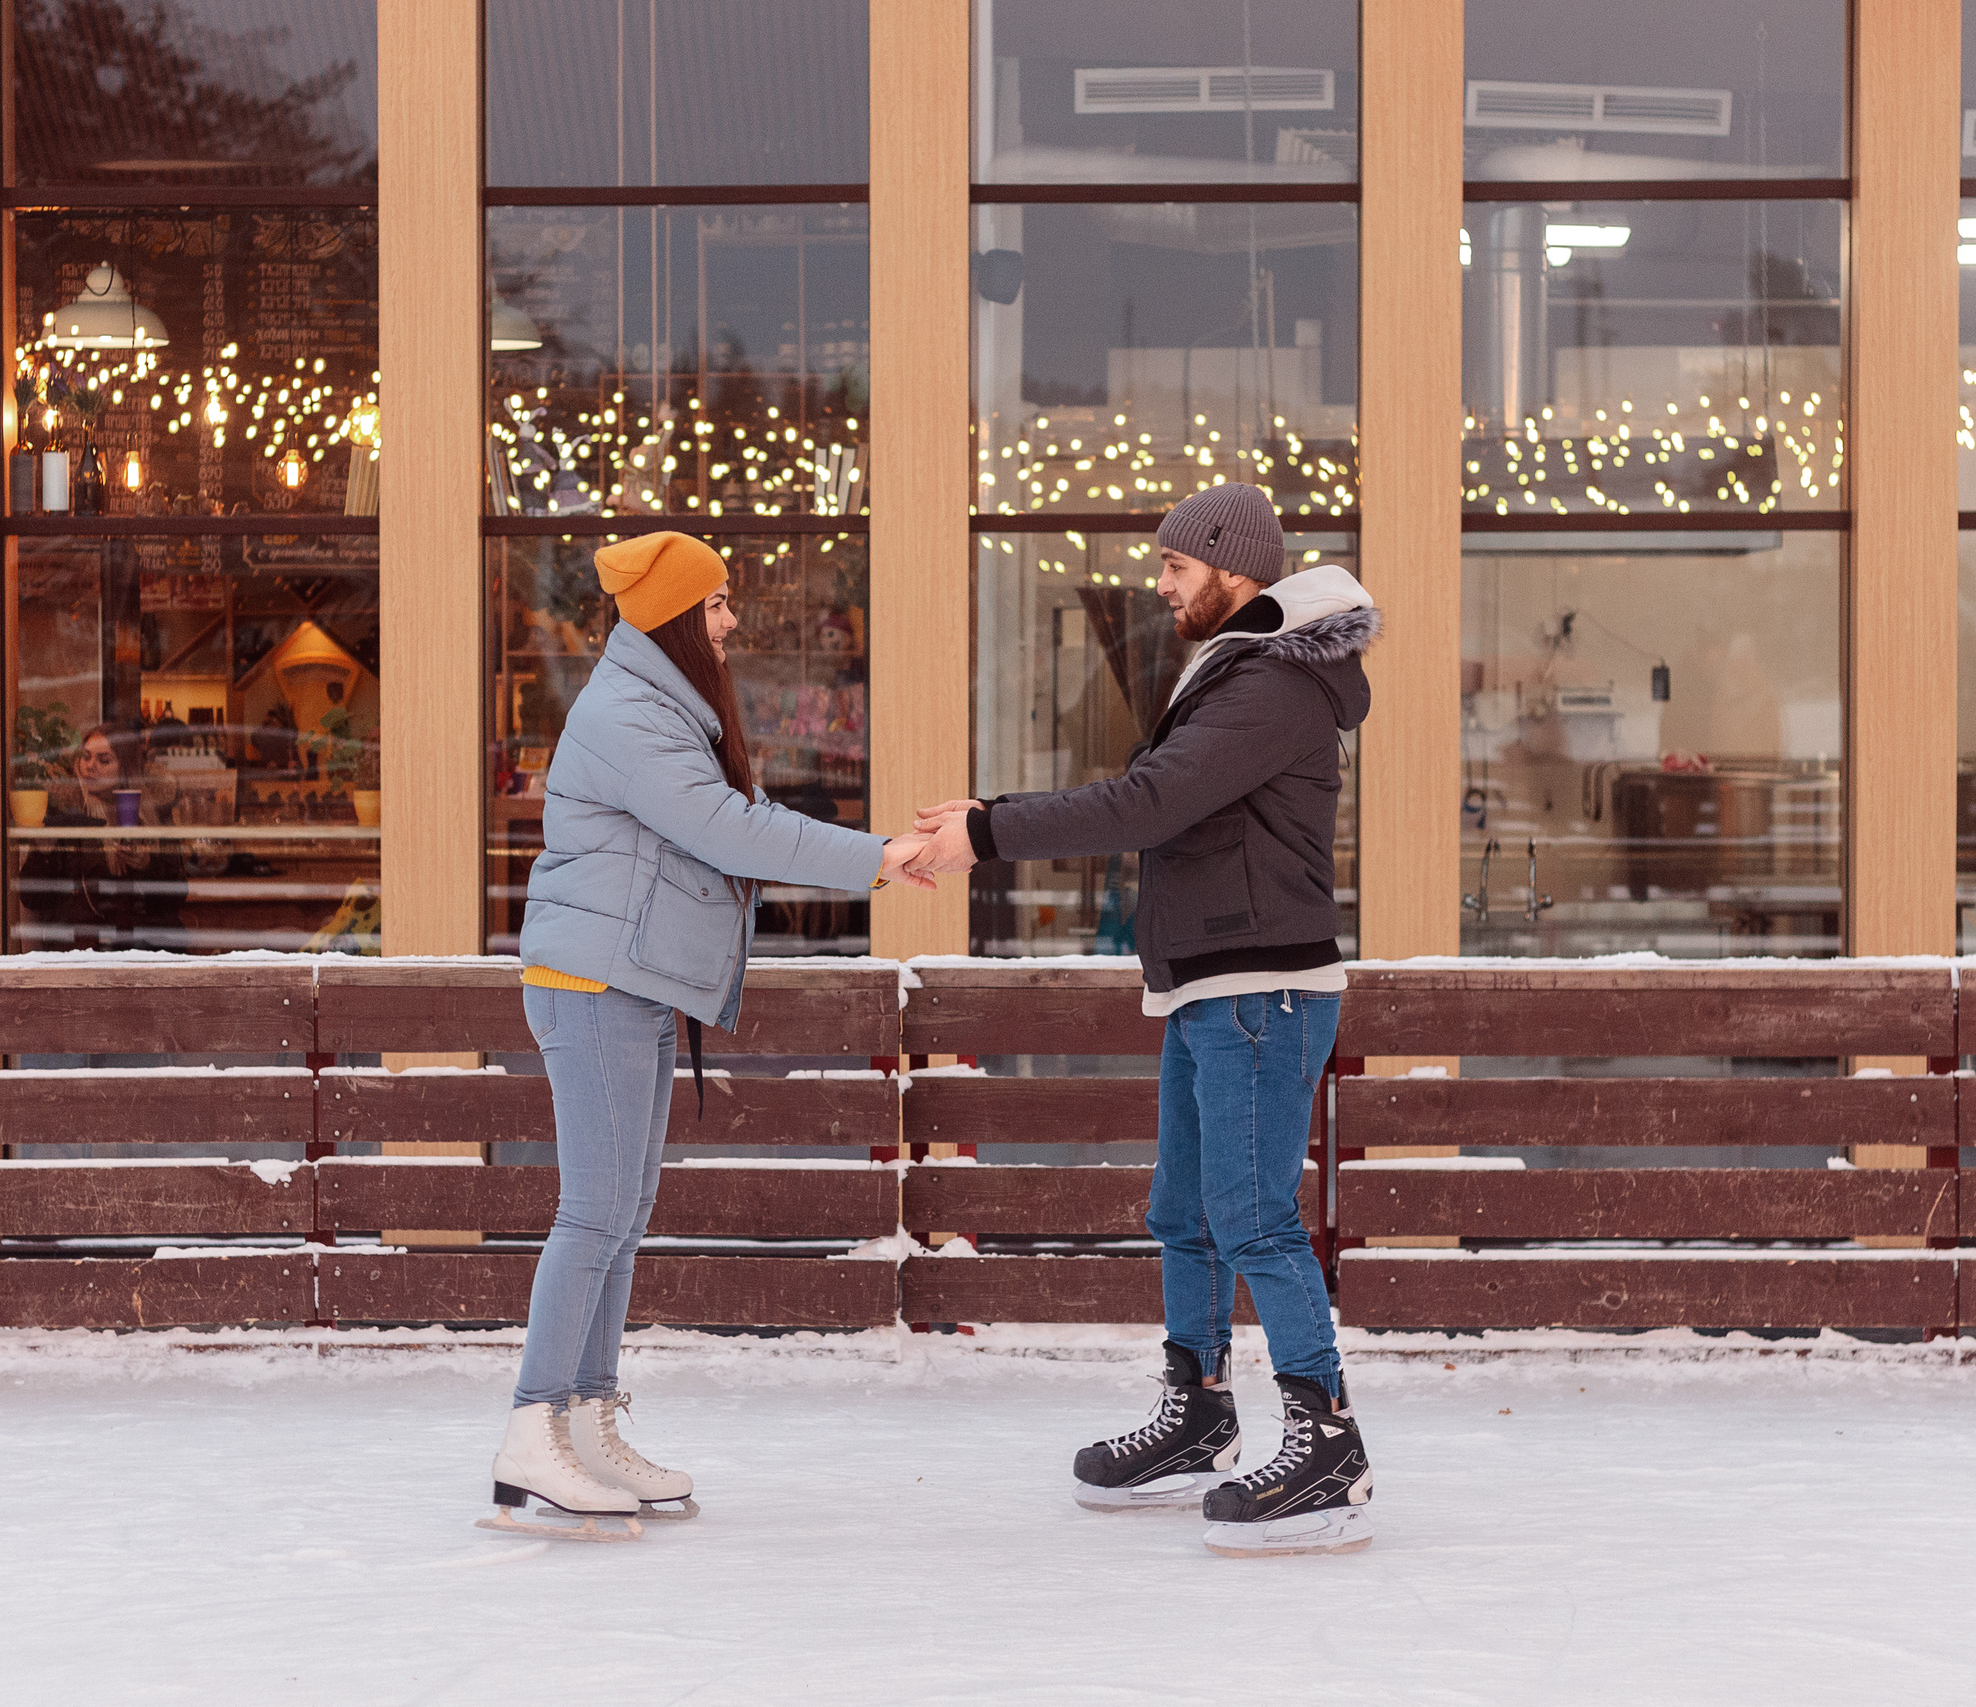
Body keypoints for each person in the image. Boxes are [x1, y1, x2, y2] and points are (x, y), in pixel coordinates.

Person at [909, 483, 1381, 1558]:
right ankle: (1201, 1411)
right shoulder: (1240, 670)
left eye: (1174, 567)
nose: (1159, 586)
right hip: (1209, 980)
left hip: (1259, 985)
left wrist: (986, 832)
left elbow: (1150, 801)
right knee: (1185, 1209)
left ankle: (1326, 1439)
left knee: (1253, 1215)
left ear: (1232, 568)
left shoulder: (1271, 684)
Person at [485, 530, 935, 1542]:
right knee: (594, 1211)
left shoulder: (664, 707)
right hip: (593, 980)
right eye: (719, 603)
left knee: (623, 1208)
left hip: (631, 978)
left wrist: (873, 855)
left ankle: (589, 1424)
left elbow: (745, 814)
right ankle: (531, 1432)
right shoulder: (626, 715)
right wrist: (879, 855)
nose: (733, 621)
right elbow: (731, 832)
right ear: (678, 616)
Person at [13, 723, 188, 950]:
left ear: (125, 768)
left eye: (104, 760)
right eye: (86, 757)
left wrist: (147, 865)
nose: (90, 766)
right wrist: (45, 851)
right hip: (82, 950)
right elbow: (32, 898)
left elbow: (175, 899)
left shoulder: (152, 816)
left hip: (145, 948)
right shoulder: (68, 814)